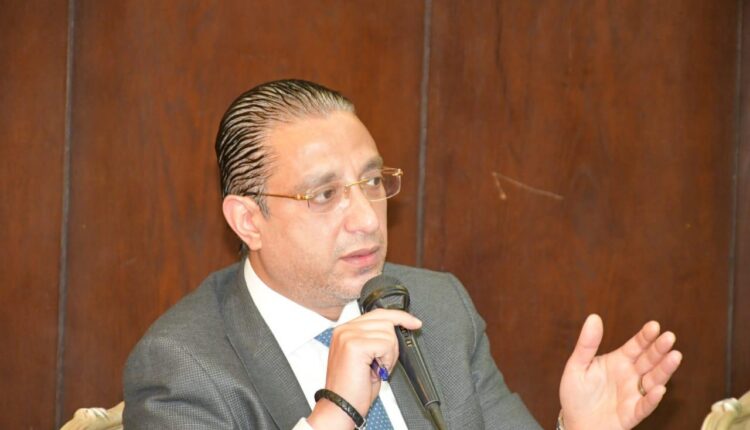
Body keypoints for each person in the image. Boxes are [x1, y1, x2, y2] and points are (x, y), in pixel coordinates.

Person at [123, 79, 682, 429]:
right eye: (324, 195)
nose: (368, 219)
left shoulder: (435, 306)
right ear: (249, 221)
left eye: (372, 182)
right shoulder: (183, 365)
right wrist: (336, 413)